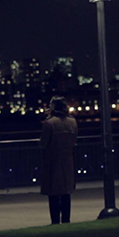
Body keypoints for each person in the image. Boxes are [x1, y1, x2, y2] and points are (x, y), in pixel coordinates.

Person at [40, 96, 78, 224]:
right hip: (68, 159)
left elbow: (43, 143)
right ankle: (66, 219)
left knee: (53, 193)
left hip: (52, 160)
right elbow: (74, 140)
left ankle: (55, 221)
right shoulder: (72, 122)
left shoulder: (49, 123)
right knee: (66, 192)